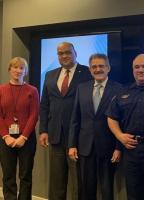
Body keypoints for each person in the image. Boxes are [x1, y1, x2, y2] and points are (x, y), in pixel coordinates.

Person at [106, 54, 144, 200]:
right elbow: (111, 117)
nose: (140, 70)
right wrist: (120, 136)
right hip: (131, 150)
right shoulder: (124, 91)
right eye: (137, 67)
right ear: (132, 70)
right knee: (133, 193)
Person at [39, 42, 92, 200]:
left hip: (78, 137)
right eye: (60, 53)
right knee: (57, 181)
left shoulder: (87, 73)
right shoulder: (50, 75)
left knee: (78, 181)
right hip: (56, 136)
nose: (64, 56)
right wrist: (43, 130)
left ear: (75, 53)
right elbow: (44, 105)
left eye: (68, 52)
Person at [68, 53, 123, 200]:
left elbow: (122, 122)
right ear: (90, 69)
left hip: (108, 146)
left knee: (107, 189)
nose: (98, 69)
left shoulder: (119, 89)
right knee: (86, 188)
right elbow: (75, 118)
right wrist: (72, 145)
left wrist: (118, 147)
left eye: (101, 66)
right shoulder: (82, 88)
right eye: (94, 67)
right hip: (85, 146)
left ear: (108, 68)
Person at [0, 57, 39, 199]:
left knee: (26, 175)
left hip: (26, 139)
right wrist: (6, 136)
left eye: (21, 68)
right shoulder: (1, 90)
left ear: (26, 71)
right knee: (8, 175)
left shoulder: (32, 90)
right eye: (15, 67)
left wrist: (23, 137)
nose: (18, 70)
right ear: (9, 70)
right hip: (6, 140)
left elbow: (34, 115)